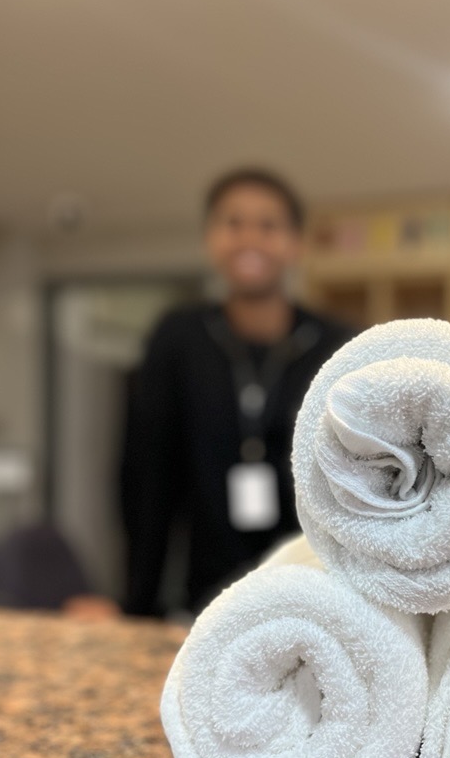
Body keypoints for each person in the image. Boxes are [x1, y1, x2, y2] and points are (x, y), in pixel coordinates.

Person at [121, 168, 354, 617]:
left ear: (295, 244)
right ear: (211, 239)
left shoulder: (334, 344)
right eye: (233, 223)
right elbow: (146, 478)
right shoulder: (178, 339)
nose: (250, 238)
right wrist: (139, 603)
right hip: (205, 593)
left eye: (268, 225)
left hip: (315, 592)